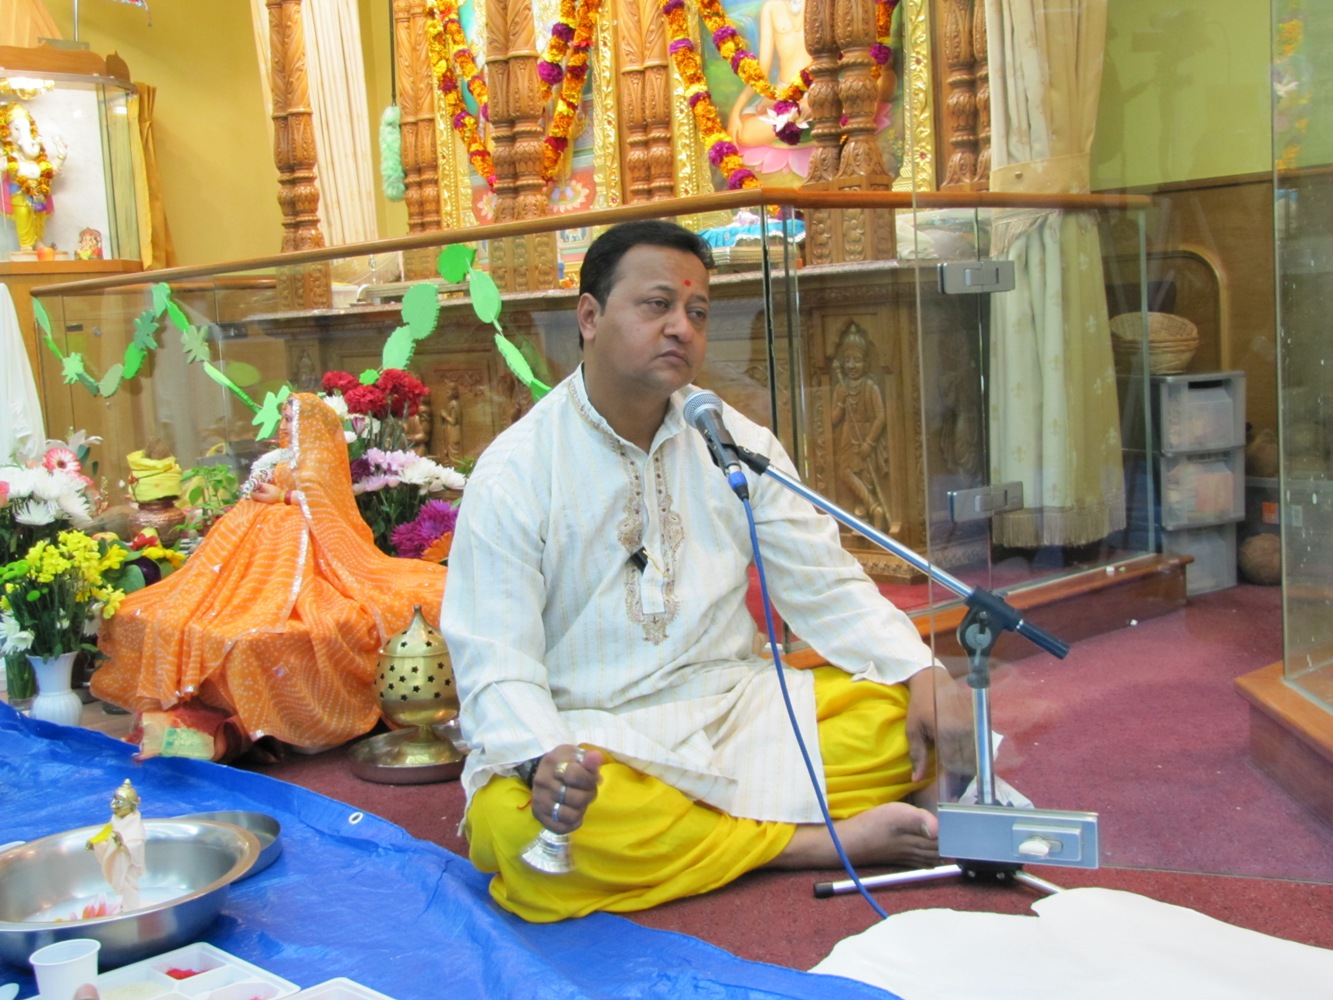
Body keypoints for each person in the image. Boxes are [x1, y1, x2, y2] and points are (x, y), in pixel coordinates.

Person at [440, 220, 974, 922]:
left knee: (900, 720)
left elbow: (823, 583)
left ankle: (722, 834)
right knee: (520, 831)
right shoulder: (515, 470)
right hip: (599, 736)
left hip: (733, 711)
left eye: (695, 312)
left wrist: (922, 671)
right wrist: (545, 760)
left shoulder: (732, 443)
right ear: (590, 317)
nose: (680, 329)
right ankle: (807, 843)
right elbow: (495, 658)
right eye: (655, 305)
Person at [93, 393, 449, 756]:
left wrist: (285, 498)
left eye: (292, 421)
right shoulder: (281, 460)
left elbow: (332, 508)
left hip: (313, 558)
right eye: (284, 419)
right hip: (262, 550)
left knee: (293, 619)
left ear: (310, 427)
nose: (284, 426)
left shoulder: (318, 462)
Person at [830, 325, 891, 531]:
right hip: (848, 436)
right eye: (847, 360)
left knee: (866, 474)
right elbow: (833, 419)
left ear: (866, 363)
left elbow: (881, 417)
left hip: (866, 435)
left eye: (856, 360)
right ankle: (872, 507)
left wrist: (869, 442)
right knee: (845, 472)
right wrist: (840, 402)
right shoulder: (841, 387)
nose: (851, 365)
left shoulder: (870, 387)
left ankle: (866, 512)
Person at [0, 102, 67, 251]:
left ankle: (39, 242)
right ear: (7, 131)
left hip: (38, 191)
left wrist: (62, 155)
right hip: (18, 189)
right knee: (23, 213)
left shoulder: (36, 157)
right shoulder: (8, 154)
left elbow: (49, 171)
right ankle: (25, 245)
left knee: (39, 214)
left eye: (27, 129)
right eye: (17, 129)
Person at [84, 779, 146, 912]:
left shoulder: (134, 824)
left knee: (128, 886)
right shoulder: (115, 820)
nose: (113, 805)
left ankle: (132, 909)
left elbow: (136, 843)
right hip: (119, 861)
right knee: (120, 885)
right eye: (114, 800)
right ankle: (124, 906)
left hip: (127, 864)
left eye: (119, 802)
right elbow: (106, 833)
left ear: (130, 805)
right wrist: (95, 843)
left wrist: (122, 844)